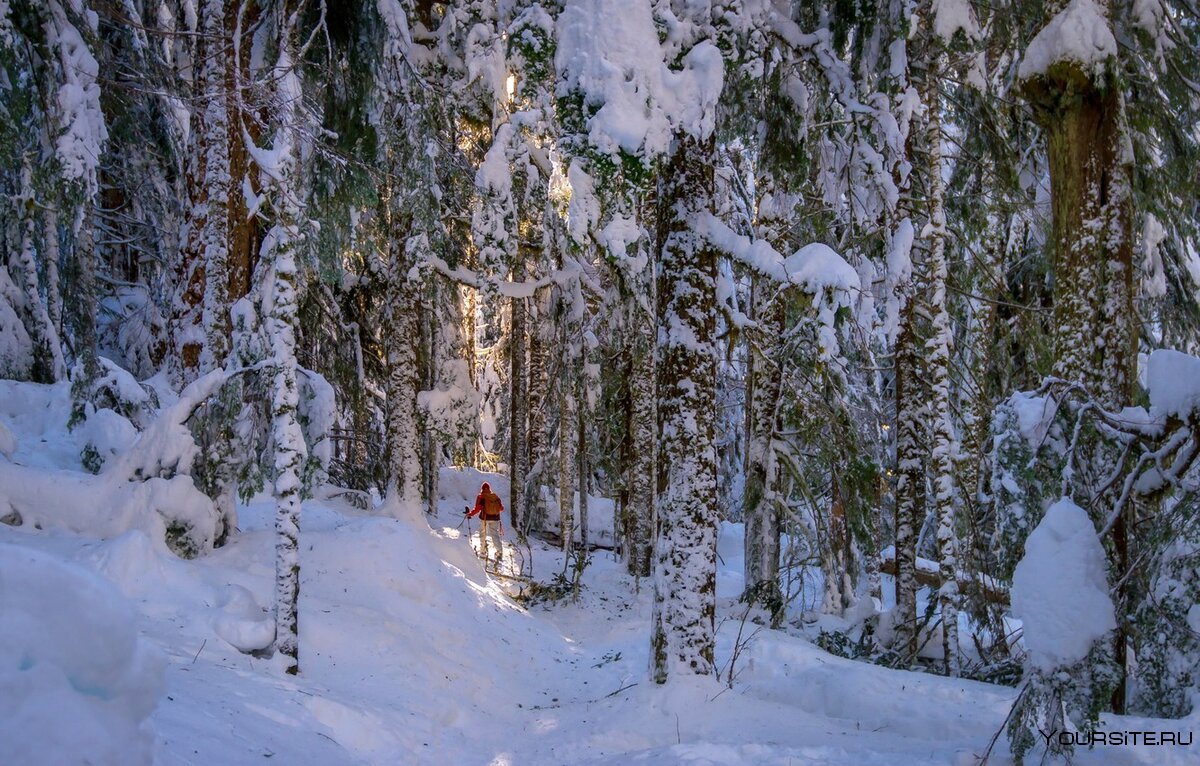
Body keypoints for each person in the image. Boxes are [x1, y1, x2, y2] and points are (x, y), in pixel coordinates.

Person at [466, 481, 504, 562]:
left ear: (482, 489)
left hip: (485, 518)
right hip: (495, 519)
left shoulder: (481, 497)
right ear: (489, 489)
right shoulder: (495, 496)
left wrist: (470, 514)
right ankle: (499, 553)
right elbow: (501, 508)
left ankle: (483, 551)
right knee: (495, 535)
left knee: (483, 534)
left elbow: (477, 508)